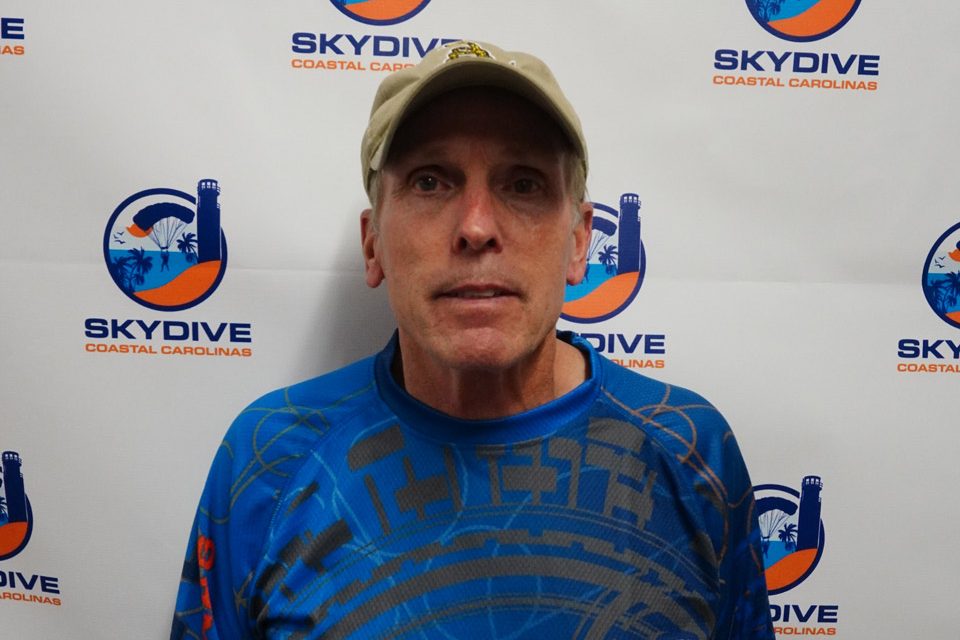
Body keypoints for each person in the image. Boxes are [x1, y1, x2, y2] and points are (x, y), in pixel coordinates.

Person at [171, 40, 774, 640]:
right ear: (373, 242)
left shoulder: (691, 454)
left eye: (525, 184)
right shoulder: (270, 461)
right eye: (431, 182)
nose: (477, 227)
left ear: (580, 241)